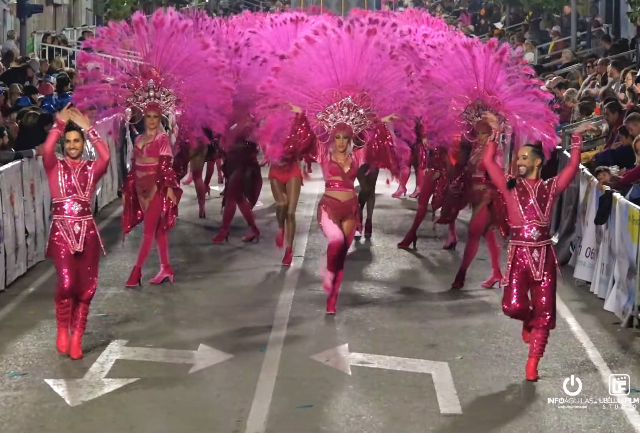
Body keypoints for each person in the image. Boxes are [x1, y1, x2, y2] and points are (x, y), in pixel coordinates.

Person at [483, 116, 589, 381]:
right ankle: (528, 318)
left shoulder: (550, 187)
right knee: (512, 306)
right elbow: (488, 162)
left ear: (538, 162)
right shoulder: (510, 186)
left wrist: (576, 138)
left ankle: (533, 364)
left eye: (524, 158)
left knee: (545, 312)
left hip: (544, 256)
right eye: (518, 158)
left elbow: (573, 166)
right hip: (519, 255)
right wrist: (495, 134)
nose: (519, 162)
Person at [42, 104, 110, 359]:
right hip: (61, 231)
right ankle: (62, 327)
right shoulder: (54, 166)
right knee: (67, 283)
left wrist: (89, 128)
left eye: (76, 141)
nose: (72, 145)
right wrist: (58, 126)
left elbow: (105, 157)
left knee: (87, 289)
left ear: (83, 144)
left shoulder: (92, 168)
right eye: (68, 141)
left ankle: (77, 336)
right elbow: (47, 149)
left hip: (88, 232)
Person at [122, 102, 182, 286]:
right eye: (149, 116)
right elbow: (133, 168)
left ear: (160, 118)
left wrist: (168, 188)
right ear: (144, 117)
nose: (152, 120)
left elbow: (165, 167)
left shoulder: (162, 139)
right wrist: (127, 190)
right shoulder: (138, 138)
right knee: (158, 229)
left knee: (148, 231)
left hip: (156, 189)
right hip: (140, 189)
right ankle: (166, 267)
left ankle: (136, 272)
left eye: (156, 117)